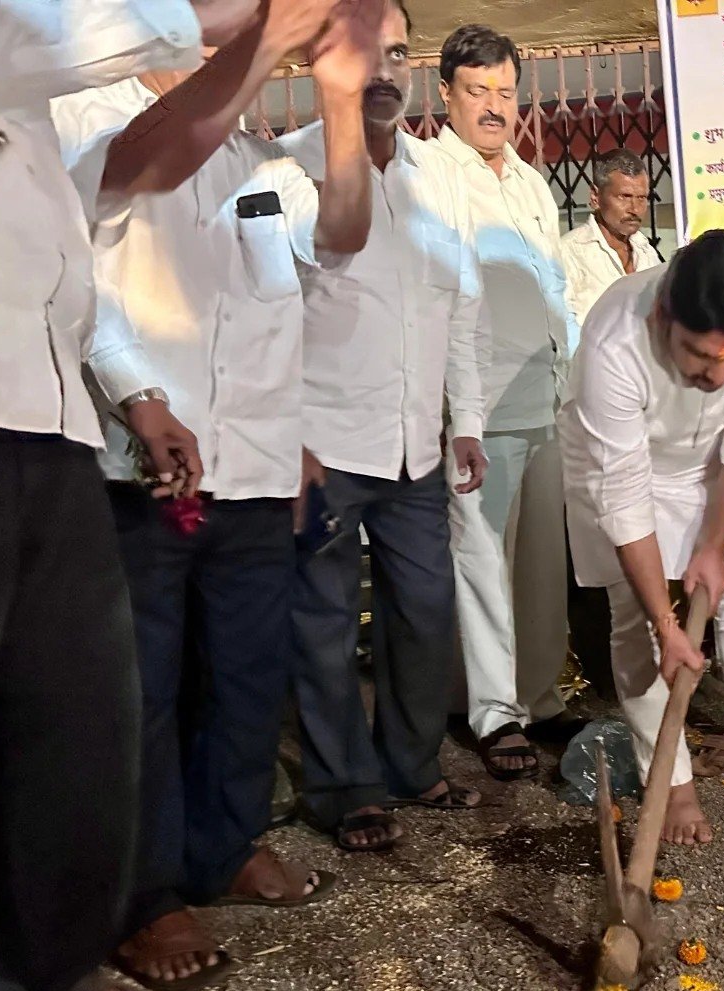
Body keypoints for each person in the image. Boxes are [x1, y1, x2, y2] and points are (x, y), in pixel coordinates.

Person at [52, 0, 378, 991]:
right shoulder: (85, 110)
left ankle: (222, 845)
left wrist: (339, 95)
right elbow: (84, 278)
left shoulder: (253, 151)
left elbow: (343, 237)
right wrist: (137, 395)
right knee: (141, 692)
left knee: (244, 675)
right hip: (140, 459)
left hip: (256, 465)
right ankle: (144, 894)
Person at [0, 0, 262, 991]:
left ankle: (50, 967)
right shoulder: (7, 28)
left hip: (47, 423)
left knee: (74, 722)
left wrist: (131, 391)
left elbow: (117, 187)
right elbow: (103, 32)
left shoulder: (33, 82)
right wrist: (258, 15)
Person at [278, 0, 486, 856]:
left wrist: (465, 421)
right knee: (324, 625)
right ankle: (343, 785)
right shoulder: (286, 171)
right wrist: (285, 437)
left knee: (428, 611)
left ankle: (407, 760)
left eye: (398, 51)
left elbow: (459, 311)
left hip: (414, 449)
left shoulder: (436, 180)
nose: (387, 70)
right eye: (368, 53)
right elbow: (268, 312)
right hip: (324, 446)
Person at [559, 230, 724, 845]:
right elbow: (624, 493)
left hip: (713, 465)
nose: (716, 376)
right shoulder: (614, 340)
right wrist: (666, 626)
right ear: (665, 315)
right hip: (628, 464)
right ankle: (670, 782)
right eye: (699, 355)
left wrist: (713, 547)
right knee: (637, 628)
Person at [434, 24, 578, 780]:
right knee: (481, 560)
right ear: (446, 95)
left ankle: (538, 697)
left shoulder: (526, 180)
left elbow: (556, 292)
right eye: (477, 91)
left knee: (539, 564)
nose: (493, 107)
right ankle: (493, 714)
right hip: (479, 410)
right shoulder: (431, 174)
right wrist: (459, 414)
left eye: (504, 92)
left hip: (546, 397)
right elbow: (445, 300)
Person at [562, 148, 662, 321]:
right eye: (624, 196)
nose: (635, 209)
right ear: (595, 196)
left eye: (642, 198)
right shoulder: (569, 253)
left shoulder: (646, 251)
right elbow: (561, 326)